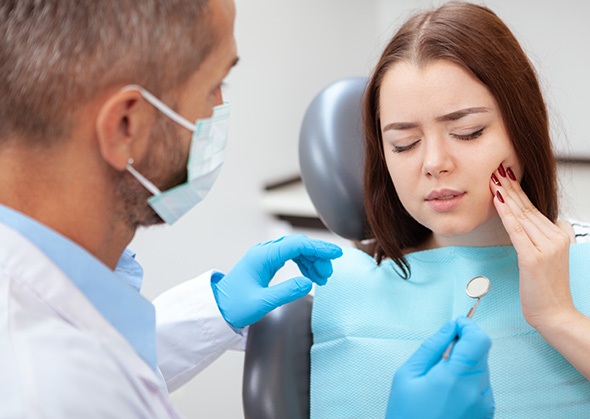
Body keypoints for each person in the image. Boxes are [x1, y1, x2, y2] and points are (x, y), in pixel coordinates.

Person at [0, 0, 492, 417]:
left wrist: (213, 311)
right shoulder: (47, 388)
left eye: (468, 132)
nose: (218, 109)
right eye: (215, 84)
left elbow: (113, 358)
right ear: (127, 125)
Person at [310, 2, 590, 418]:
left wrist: (560, 317)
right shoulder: (332, 292)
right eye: (404, 144)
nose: (434, 162)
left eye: (467, 132)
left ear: (522, 129)